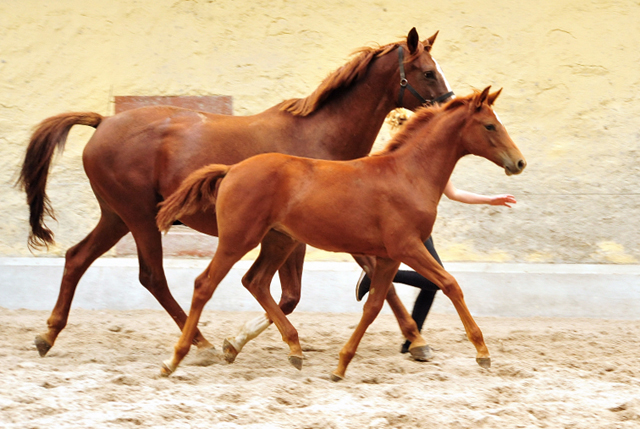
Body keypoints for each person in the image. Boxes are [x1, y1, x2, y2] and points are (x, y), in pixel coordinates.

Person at [355, 180, 516, 356]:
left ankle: (410, 341)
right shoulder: (405, 164)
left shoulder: (431, 163)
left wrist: (490, 200)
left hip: (420, 228)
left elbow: (454, 193)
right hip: (406, 227)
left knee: (431, 286)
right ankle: (375, 277)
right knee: (436, 281)